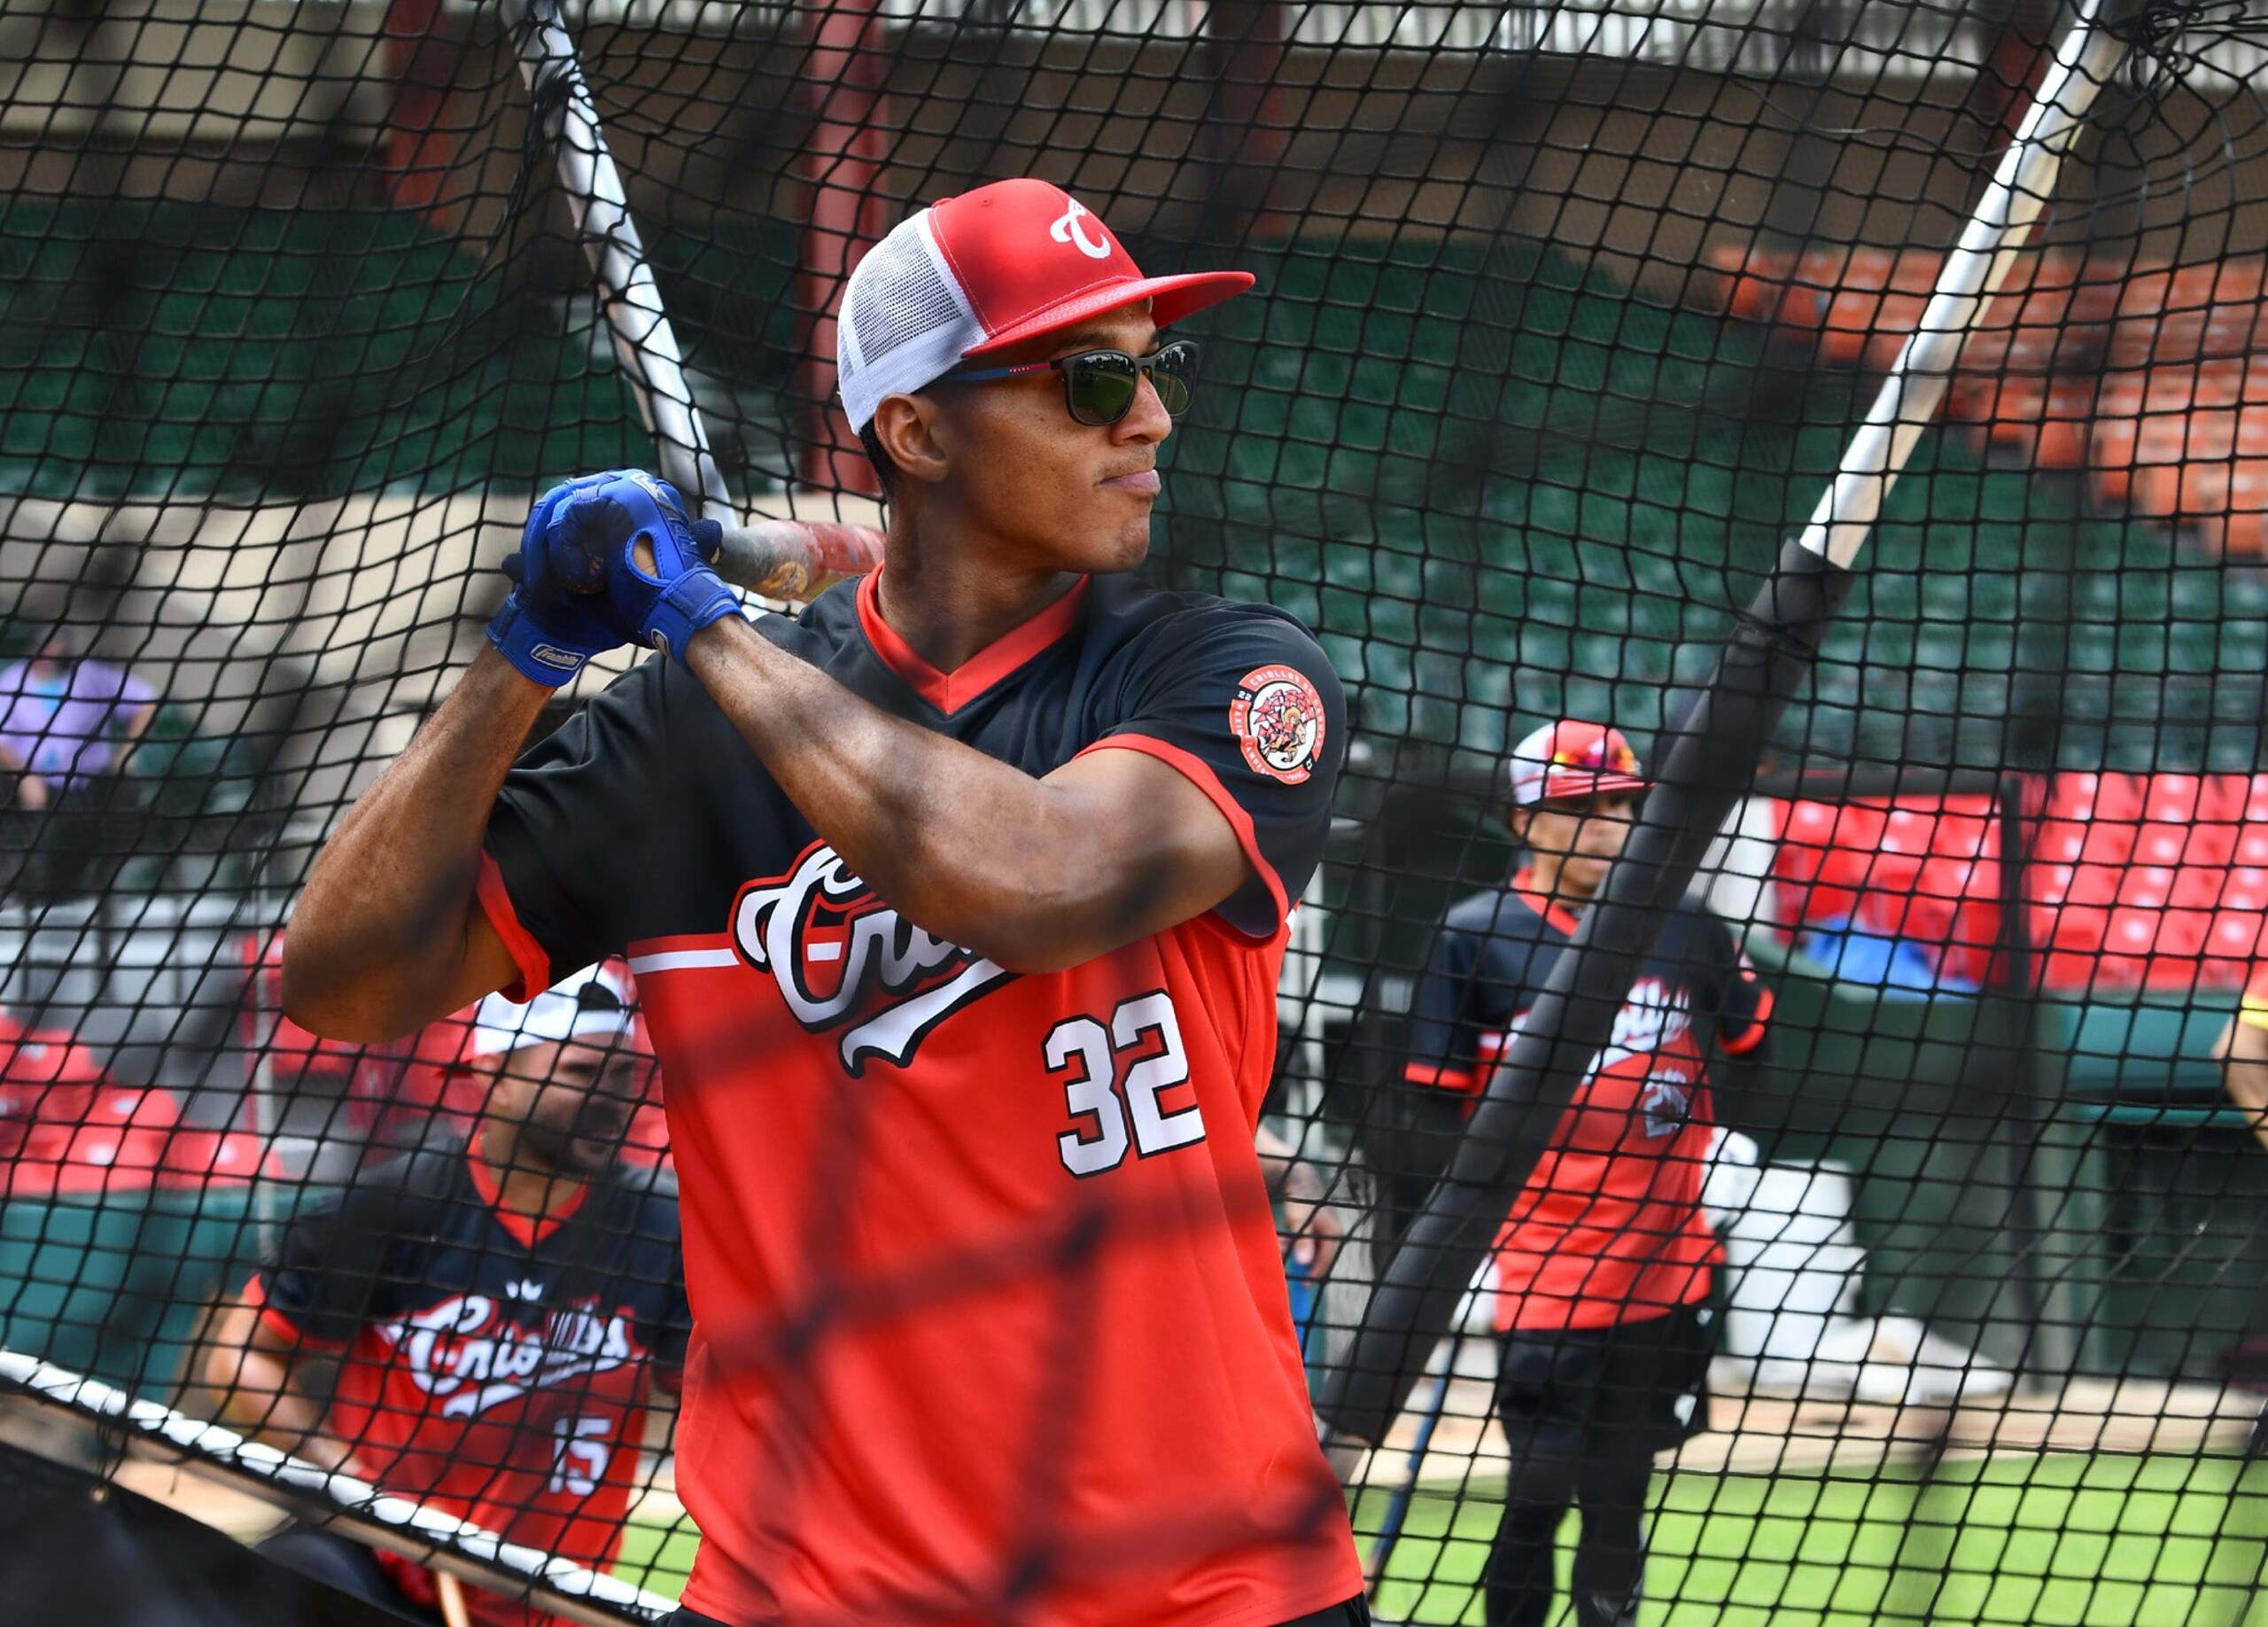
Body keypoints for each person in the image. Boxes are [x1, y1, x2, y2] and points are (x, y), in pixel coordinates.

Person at [280, 176, 1364, 1627]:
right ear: (917, 430)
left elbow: (1040, 879)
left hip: (1202, 1590)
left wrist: (703, 629)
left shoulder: (1224, 669)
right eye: (1092, 378)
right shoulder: (676, 735)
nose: (1151, 419)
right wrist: (526, 652)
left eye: (1154, 372)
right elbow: (341, 978)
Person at [1395, 720, 1773, 1627]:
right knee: (1535, 1497)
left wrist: (1728, 1152)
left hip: (1666, 1272)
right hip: (1543, 1278)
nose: (1608, 826)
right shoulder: (1473, 938)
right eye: (1580, 807)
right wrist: (1460, 1229)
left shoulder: (1687, 929)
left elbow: (1750, 1039)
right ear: (1523, 821)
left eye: (1620, 806)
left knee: (1619, 1500)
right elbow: (1430, 1112)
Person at [203, 963, 687, 1627]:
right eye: (579, 1074)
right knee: (281, 1580)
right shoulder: (393, 1209)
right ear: (494, 1074)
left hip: (563, 1599)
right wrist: (357, 1489)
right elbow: (238, 1360)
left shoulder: (664, 1233)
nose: (610, 1098)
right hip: (382, 1574)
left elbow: (712, 1403)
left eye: (621, 1075)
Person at [0, 629, 159, 894]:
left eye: (54, 647)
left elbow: (146, 702)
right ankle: (16, 890)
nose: (47, 654)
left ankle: (104, 886)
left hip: (89, 783)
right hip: (33, 785)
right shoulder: (10, 682)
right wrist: (24, 774)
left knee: (124, 795)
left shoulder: (92, 677)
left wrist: (127, 752)